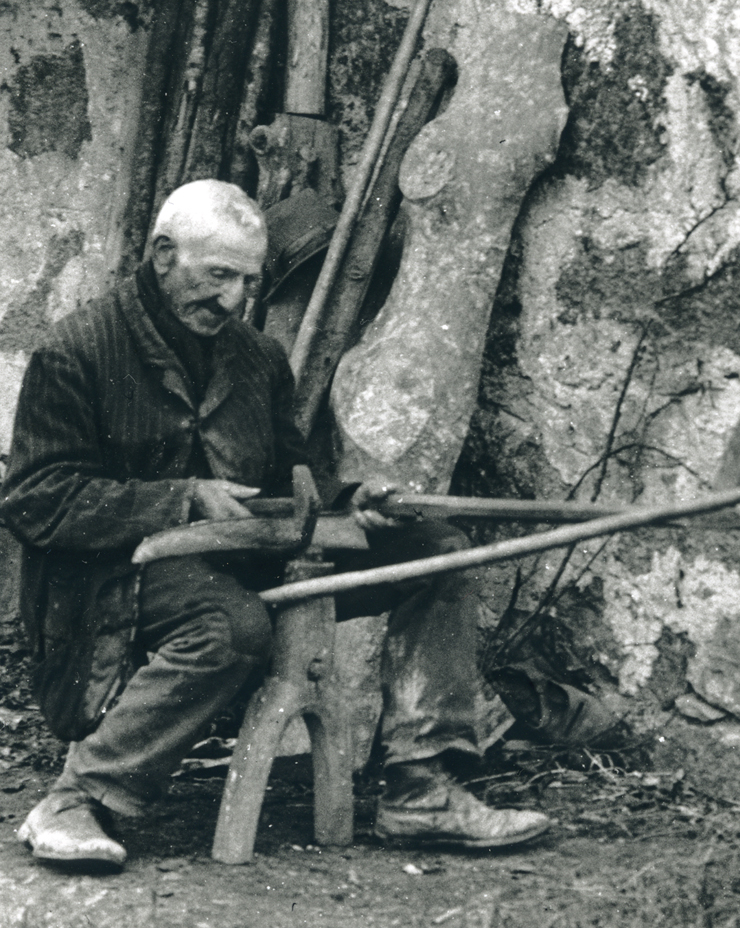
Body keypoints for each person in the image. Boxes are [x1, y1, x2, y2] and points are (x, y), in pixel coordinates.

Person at [3, 181, 550, 871]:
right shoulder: (78, 351)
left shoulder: (256, 358)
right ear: (164, 255)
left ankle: (420, 787)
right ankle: (79, 796)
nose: (233, 299)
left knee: (434, 553)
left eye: (248, 282)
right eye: (218, 276)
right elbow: (34, 499)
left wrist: (354, 498)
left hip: (244, 552)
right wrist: (181, 497)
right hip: (117, 570)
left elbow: (292, 479)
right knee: (232, 627)